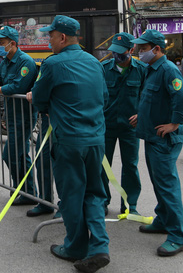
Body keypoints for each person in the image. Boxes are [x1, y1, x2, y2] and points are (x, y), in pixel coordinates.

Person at [27, 15, 110, 273]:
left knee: (72, 195)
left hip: (69, 140)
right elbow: (103, 98)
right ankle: (99, 247)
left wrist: (38, 100)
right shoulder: (95, 63)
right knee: (95, 193)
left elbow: (39, 99)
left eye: (51, 36)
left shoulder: (52, 64)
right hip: (96, 139)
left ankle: (75, 247)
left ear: (62, 38)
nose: (48, 40)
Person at [130, 29, 183, 257]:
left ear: (156, 49)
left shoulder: (167, 69)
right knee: (158, 183)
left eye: (143, 49)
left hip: (164, 139)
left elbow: (181, 97)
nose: (138, 52)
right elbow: (152, 99)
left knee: (167, 186)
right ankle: (163, 219)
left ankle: (177, 236)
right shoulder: (151, 69)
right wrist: (140, 116)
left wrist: (174, 124)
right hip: (152, 135)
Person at [0, 26, 40, 209]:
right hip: (11, 114)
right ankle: (26, 191)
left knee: (10, 154)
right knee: (20, 154)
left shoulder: (25, 62)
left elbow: (17, 87)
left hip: (23, 115)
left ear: (13, 43)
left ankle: (25, 190)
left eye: (2, 43)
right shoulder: (6, 61)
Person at [100, 32, 147, 217]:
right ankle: (102, 201)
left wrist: (142, 114)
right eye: (114, 51)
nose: (117, 55)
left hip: (130, 127)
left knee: (130, 166)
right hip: (107, 125)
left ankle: (129, 204)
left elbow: (147, 97)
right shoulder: (103, 68)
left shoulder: (142, 69)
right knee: (103, 166)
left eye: (121, 51)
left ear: (131, 50)